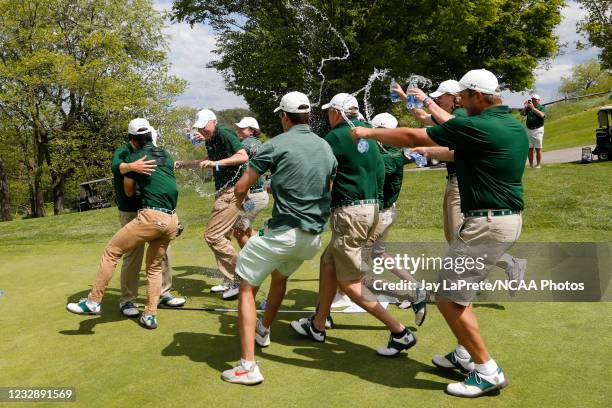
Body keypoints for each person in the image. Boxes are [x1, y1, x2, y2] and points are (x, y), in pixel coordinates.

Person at [351, 69, 528, 398]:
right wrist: (431, 129)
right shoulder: (510, 125)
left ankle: (487, 370)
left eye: (463, 96)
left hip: (486, 224)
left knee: (447, 298)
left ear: (477, 95)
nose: (460, 101)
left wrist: (368, 131)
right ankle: (465, 354)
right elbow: (456, 141)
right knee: (461, 296)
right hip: (501, 220)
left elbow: (413, 137)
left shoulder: (479, 125)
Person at [221, 92, 337, 385]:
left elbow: (242, 186)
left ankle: (248, 366)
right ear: (308, 116)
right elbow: (325, 184)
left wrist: (244, 199)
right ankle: (263, 329)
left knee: (246, 286)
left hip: (283, 232)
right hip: (312, 238)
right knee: (280, 276)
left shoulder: (275, 144)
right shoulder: (324, 146)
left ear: (284, 117)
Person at [290, 93, 418, 358]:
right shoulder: (369, 135)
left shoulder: (336, 136)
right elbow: (379, 172)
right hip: (371, 209)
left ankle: (400, 332)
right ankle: (318, 323)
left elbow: (315, 170)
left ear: (337, 113)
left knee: (349, 283)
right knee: (328, 263)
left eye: (329, 112)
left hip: (350, 213)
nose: (327, 116)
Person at [67, 118, 180, 330]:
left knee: (112, 251)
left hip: (150, 217)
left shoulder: (135, 155)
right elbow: (170, 187)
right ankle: (150, 315)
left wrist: (131, 172)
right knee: (154, 268)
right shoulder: (165, 154)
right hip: (171, 218)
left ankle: (93, 301)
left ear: (133, 140)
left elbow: (128, 191)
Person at [110, 122, 186, 318]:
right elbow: (116, 168)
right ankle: (127, 300)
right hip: (131, 210)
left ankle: (163, 293)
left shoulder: (156, 154)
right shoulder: (124, 151)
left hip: (155, 212)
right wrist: (130, 166)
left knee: (163, 254)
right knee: (133, 255)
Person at [175, 109, 249, 300]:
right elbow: (208, 161)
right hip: (224, 191)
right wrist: (184, 163)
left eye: (204, 126)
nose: (202, 130)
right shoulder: (211, 137)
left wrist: (217, 164)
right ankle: (229, 279)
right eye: (199, 127)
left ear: (213, 122)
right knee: (222, 235)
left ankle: (243, 278)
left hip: (232, 191)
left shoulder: (224, 133)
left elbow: (242, 156)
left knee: (213, 236)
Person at [394, 79, 465, 244]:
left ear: (453, 97)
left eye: (441, 96)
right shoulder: (448, 116)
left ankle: (507, 262)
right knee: (452, 235)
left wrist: (426, 151)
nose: (438, 100)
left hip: (461, 182)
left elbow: (456, 153)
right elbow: (422, 116)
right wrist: (405, 97)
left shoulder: (459, 116)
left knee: (459, 238)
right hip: (453, 180)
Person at [232, 117, 269, 247]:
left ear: (252, 131)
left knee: (238, 230)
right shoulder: (257, 143)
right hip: (255, 196)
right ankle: (265, 239)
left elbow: (234, 156)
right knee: (245, 228)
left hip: (253, 196)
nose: (238, 130)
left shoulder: (248, 143)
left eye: (242, 128)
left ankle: (252, 260)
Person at [521, 94, 546, 168]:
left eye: (535, 99)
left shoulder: (541, 107)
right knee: (529, 148)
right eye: (532, 99)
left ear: (539, 100)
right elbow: (522, 113)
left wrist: (533, 108)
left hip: (538, 129)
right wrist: (526, 107)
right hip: (529, 129)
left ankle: (538, 165)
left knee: (538, 148)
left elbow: (542, 115)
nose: (533, 100)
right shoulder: (528, 108)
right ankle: (531, 165)